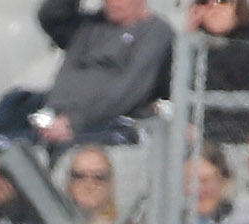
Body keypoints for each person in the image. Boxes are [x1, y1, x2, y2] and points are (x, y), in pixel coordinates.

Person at [38, 0, 171, 145]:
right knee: (15, 107)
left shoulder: (155, 32)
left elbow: (130, 91)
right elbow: (51, 15)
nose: (112, 3)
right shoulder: (89, 25)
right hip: (53, 116)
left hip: (103, 127)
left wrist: (73, 121)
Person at [186, 0, 249, 147]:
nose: (214, 7)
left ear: (237, 4)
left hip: (246, 141)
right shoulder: (193, 44)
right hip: (198, 140)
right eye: (204, 1)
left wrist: (206, 132)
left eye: (222, 1)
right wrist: (188, 38)